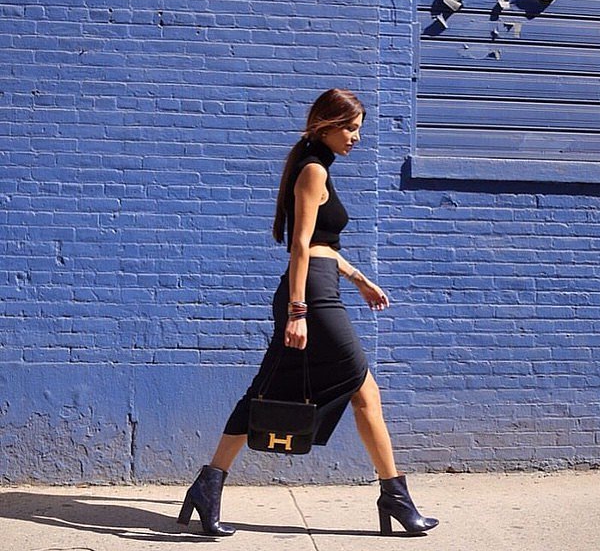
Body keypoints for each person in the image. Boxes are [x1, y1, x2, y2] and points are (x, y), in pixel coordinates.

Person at [177, 88, 439, 537]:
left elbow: (322, 246)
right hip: (312, 298)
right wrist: (298, 310)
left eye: (358, 129)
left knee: (273, 391)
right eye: (350, 128)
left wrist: (358, 278)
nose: (356, 137)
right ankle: (394, 496)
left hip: (321, 286)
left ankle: (209, 484)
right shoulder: (313, 169)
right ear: (327, 125)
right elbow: (300, 246)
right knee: (362, 386)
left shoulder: (316, 166)